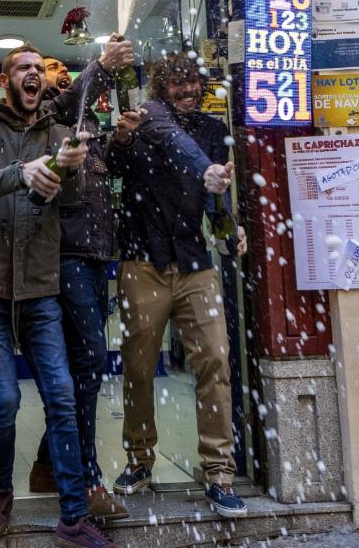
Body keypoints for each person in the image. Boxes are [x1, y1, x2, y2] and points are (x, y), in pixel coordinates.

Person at [0, 41, 127, 548]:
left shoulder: (59, 131)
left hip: (40, 280)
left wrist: (68, 168)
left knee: (62, 396)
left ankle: (73, 516)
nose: (34, 75)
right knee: (4, 398)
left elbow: (64, 198)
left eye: (39, 70)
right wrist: (20, 172)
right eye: (23, 68)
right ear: (7, 79)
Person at [110, 51, 248, 518]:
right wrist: (123, 139)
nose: (189, 92)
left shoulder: (211, 130)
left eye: (195, 84)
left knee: (215, 361)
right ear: (162, 89)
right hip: (142, 264)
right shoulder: (147, 121)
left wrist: (230, 226)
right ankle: (139, 459)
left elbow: (217, 195)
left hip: (196, 266)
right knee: (139, 368)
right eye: (179, 85)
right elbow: (118, 164)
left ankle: (220, 472)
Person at [28, 55, 141, 523]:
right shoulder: (50, 115)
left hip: (98, 259)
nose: (57, 72)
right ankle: (88, 478)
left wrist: (123, 137)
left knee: (78, 371)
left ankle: (47, 467)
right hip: (68, 258)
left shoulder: (89, 122)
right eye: (50, 66)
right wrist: (96, 64)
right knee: (91, 361)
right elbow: (69, 99)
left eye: (61, 67)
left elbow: (111, 175)